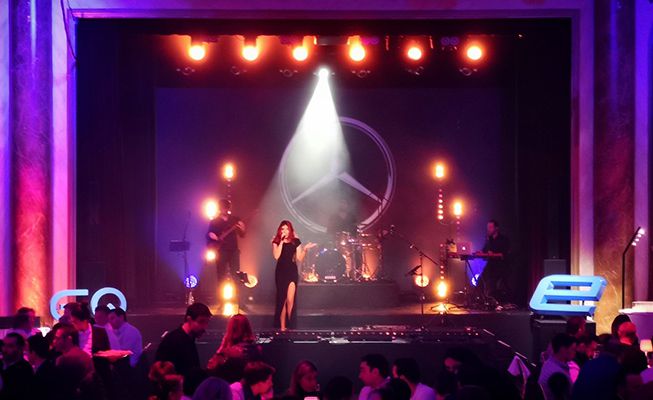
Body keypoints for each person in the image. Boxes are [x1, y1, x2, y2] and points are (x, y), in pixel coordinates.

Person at [271, 220, 315, 330]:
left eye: (287, 229)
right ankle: (282, 327)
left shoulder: (295, 241)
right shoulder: (276, 241)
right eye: (282, 229)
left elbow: (299, 258)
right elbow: (276, 256)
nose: (284, 231)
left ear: (290, 230)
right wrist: (281, 242)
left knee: (290, 300)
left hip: (291, 271)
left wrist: (305, 249)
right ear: (280, 230)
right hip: (280, 272)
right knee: (282, 299)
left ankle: (291, 326)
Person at [156, 302, 212, 379]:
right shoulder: (173, 341)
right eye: (201, 322)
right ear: (189, 319)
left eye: (206, 323)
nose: (204, 327)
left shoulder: (187, 339)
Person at [207, 314, 262, 383]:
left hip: (229, 387)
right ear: (248, 328)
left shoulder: (227, 353)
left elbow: (211, 369)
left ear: (230, 329)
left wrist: (222, 347)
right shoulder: (256, 350)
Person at [207, 199, 246, 285]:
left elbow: (242, 235)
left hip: (234, 250)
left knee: (236, 275)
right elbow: (209, 234)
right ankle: (221, 293)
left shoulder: (235, 219)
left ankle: (236, 293)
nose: (225, 210)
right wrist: (213, 236)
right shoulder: (214, 222)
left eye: (226, 208)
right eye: (223, 208)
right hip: (221, 251)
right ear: (219, 209)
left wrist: (243, 228)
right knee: (221, 275)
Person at [478, 219, 511, 304]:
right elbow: (485, 251)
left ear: (496, 228)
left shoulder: (503, 239)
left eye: (490, 227)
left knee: (493, 285)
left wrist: (493, 254)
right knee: (480, 280)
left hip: (500, 266)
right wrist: (480, 253)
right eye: (487, 227)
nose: (488, 229)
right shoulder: (489, 240)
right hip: (490, 265)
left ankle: (497, 302)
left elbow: (504, 254)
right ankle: (484, 301)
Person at [538, 334, 576, 400]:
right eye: (573, 349)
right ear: (563, 349)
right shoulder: (558, 374)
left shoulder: (548, 363)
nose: (575, 353)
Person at [0, 332, 33, 399]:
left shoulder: (24, 369)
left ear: (20, 349)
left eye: (10, 346)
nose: (4, 349)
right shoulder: (1, 364)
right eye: (4, 345)